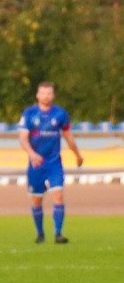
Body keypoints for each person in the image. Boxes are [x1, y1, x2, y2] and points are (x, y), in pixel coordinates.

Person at [18, 82, 83, 243]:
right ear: (37, 95)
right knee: (36, 200)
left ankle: (58, 234)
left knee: (58, 195)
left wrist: (78, 155)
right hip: (36, 165)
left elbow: (68, 136)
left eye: (49, 93)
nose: (46, 96)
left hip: (54, 163)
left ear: (53, 96)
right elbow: (23, 138)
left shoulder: (60, 114)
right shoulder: (29, 114)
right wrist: (32, 154)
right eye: (43, 93)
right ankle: (40, 234)